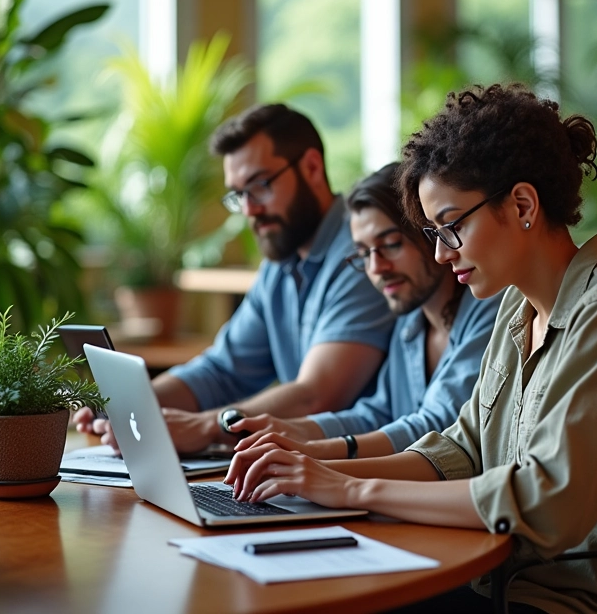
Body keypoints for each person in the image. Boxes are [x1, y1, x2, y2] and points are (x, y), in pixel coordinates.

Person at [224, 85, 597, 614]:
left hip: (572, 603)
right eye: (432, 233)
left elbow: (544, 503)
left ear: (522, 205)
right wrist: (312, 466)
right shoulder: (520, 310)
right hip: (497, 583)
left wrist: (352, 491)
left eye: (451, 228)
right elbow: (461, 450)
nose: (442, 255)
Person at [75, 103, 394, 453]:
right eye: (239, 194)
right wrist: (127, 403)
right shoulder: (280, 262)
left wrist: (206, 428)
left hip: (360, 467)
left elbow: (315, 396)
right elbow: (222, 371)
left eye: (260, 186)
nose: (249, 210)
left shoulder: (364, 254)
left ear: (313, 167)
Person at [229, 162, 502, 459]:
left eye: (391, 244)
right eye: (363, 253)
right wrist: (288, 430)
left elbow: (437, 427)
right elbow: (377, 414)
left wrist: (316, 451)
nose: (376, 268)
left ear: (431, 235)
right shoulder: (410, 323)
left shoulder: (488, 308)